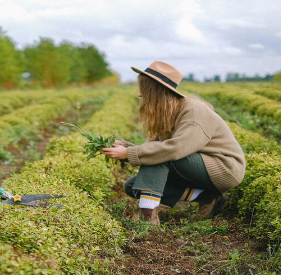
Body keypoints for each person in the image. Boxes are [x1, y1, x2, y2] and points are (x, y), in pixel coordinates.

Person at [100, 61, 246, 225]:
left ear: (155, 91)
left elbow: (175, 150)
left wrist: (129, 153)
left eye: (144, 89)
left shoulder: (193, 111)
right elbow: (162, 148)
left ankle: (147, 217)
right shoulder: (168, 112)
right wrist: (126, 148)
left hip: (223, 168)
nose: (140, 95)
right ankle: (206, 196)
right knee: (133, 186)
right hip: (197, 164)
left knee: (159, 156)